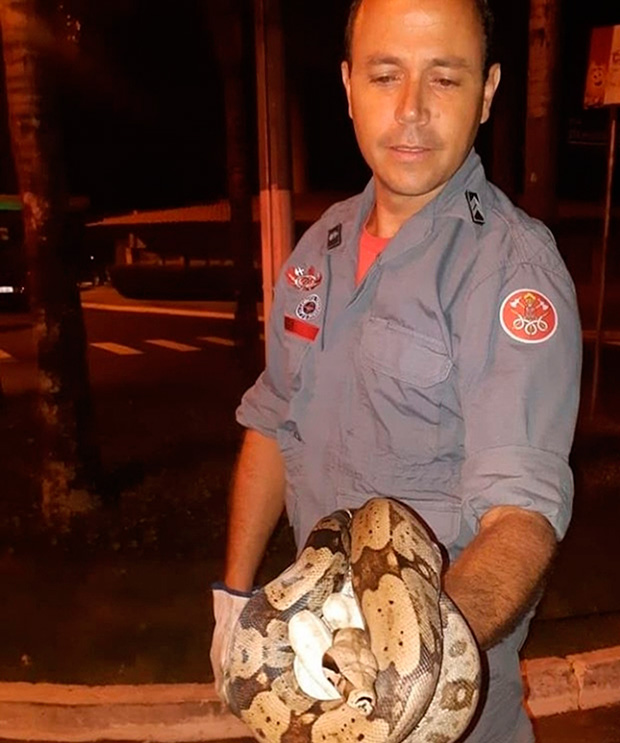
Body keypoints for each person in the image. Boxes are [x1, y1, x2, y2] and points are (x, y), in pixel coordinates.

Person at [210, 0, 582, 740]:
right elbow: (272, 421)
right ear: (348, 87)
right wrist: (232, 596)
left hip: (447, 707)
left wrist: (407, 660)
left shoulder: (510, 270)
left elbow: (523, 517)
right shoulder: (320, 246)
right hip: (318, 672)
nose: (410, 110)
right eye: (385, 75)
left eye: (444, 79)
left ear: (488, 93)